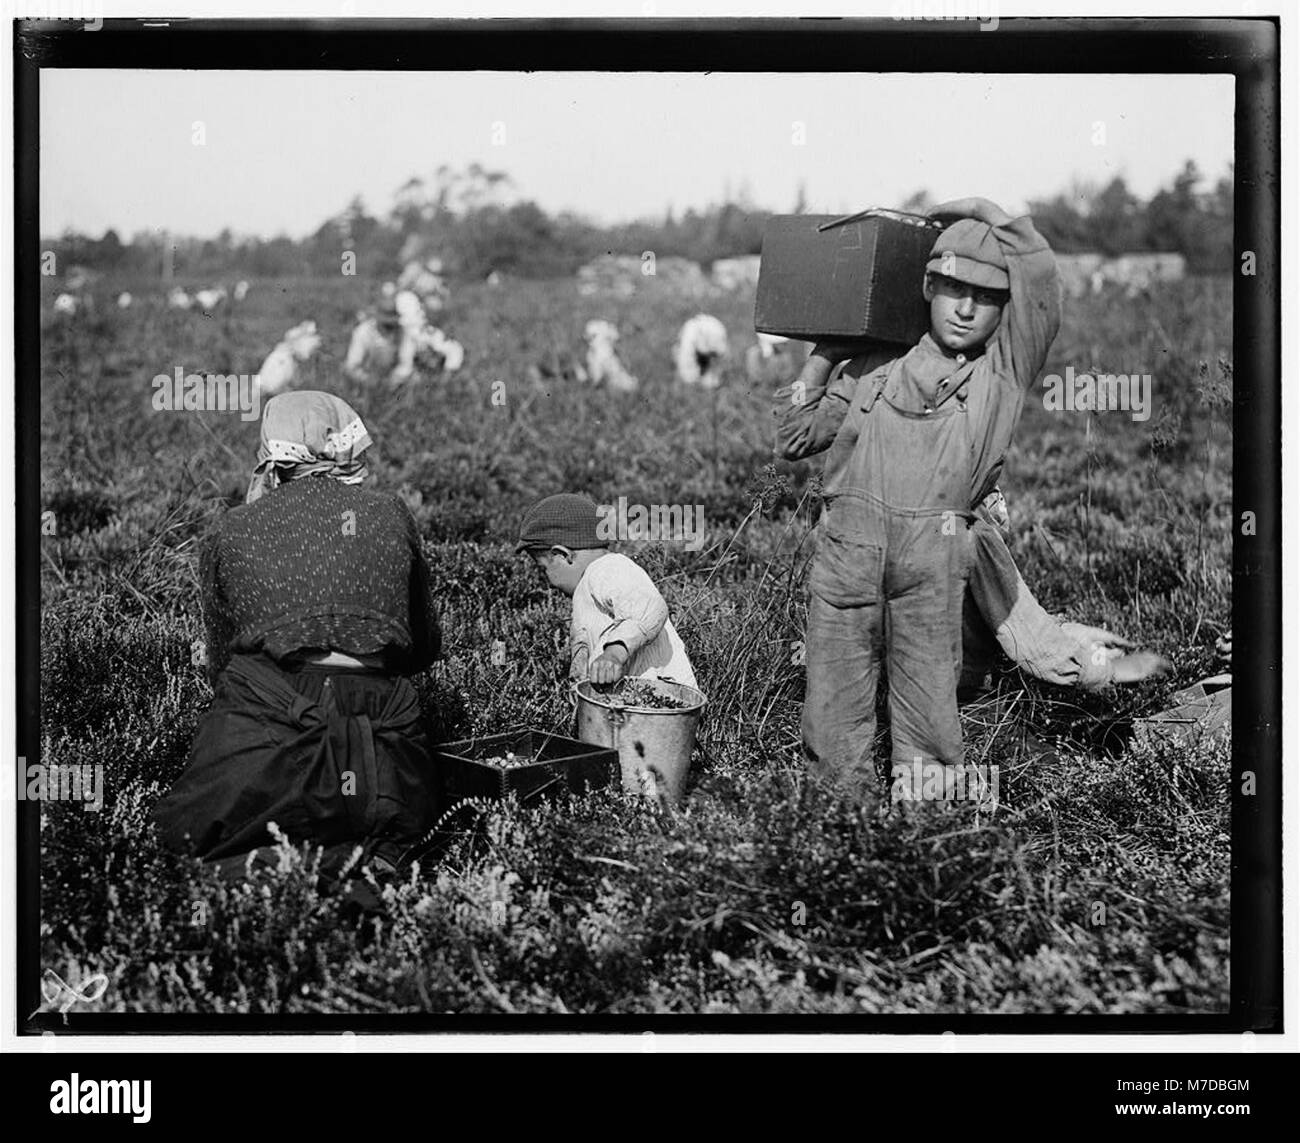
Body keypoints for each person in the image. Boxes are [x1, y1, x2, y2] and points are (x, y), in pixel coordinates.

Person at [776, 196, 1061, 802]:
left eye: (985, 297)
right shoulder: (873, 366)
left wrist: (985, 211)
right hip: (847, 555)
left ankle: (923, 840)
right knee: (832, 699)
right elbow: (794, 438)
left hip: (934, 559)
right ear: (928, 285)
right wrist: (826, 355)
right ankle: (839, 824)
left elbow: (1041, 282)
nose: (964, 308)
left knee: (928, 702)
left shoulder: (1000, 377)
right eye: (952, 286)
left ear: (1004, 310)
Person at [153, 391, 441, 876]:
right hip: (385, 745)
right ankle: (369, 851)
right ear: (344, 442)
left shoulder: (233, 528)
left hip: (269, 732)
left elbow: (221, 665)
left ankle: (292, 856)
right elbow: (423, 648)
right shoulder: (391, 512)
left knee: (179, 846)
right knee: (399, 835)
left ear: (274, 453)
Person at [515, 493, 697, 689]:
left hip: (664, 703)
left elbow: (649, 608)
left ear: (563, 555)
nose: (548, 582)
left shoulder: (608, 568)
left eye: (544, 569)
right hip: (633, 707)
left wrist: (614, 654)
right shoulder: (590, 584)